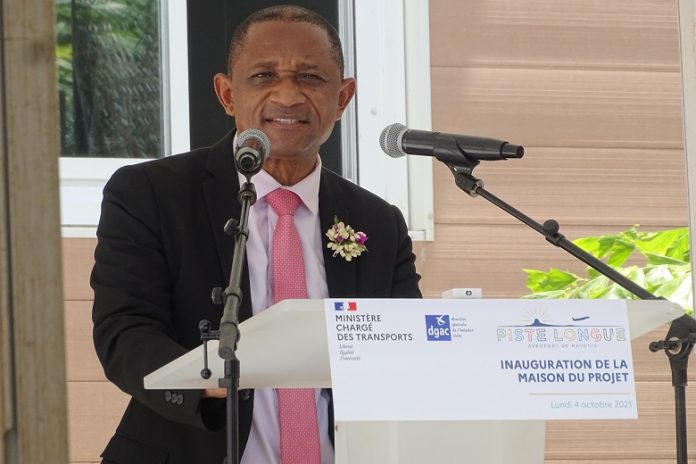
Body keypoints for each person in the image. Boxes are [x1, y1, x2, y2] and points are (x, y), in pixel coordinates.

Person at [91, 5, 421, 464]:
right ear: (227, 94)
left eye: (310, 78)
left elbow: (406, 345)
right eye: (264, 76)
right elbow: (124, 332)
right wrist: (211, 378)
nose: (287, 96)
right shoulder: (150, 194)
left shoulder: (379, 222)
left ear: (343, 97)